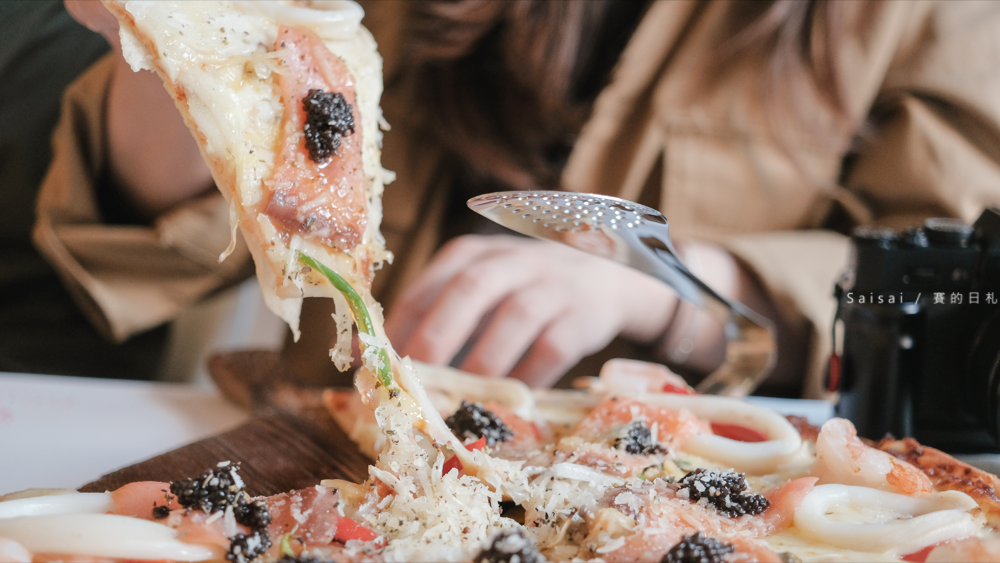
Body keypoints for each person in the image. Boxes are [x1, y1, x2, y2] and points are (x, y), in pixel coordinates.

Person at [28, 0, 1000, 398]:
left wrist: (674, 289)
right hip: (347, 460)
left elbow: (955, 297)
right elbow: (135, 246)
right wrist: (176, 45)